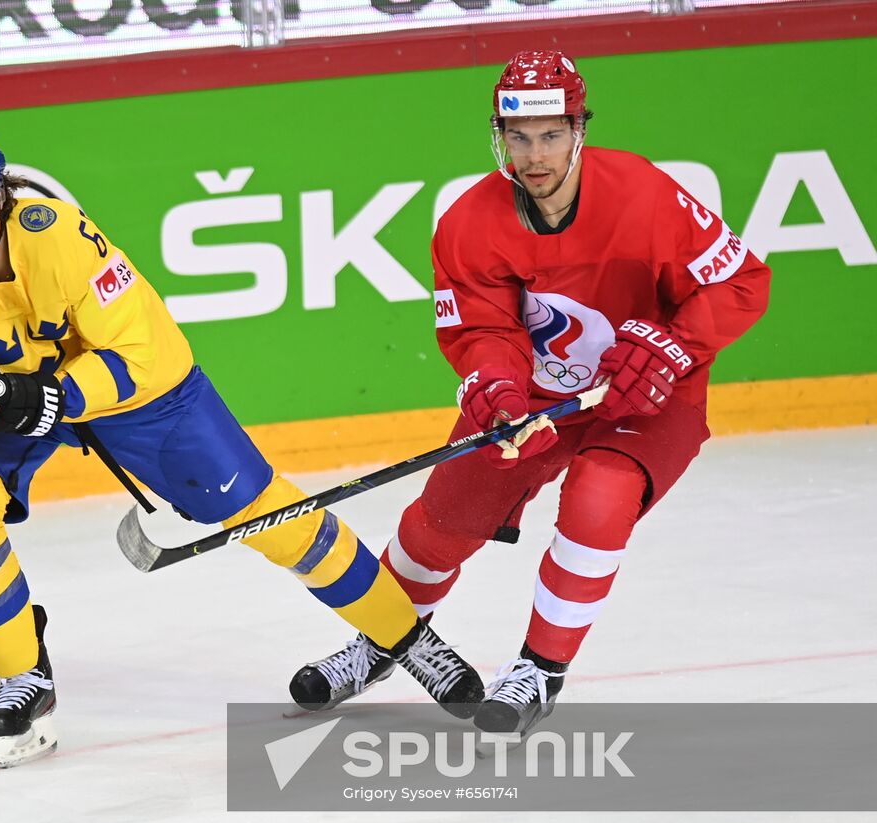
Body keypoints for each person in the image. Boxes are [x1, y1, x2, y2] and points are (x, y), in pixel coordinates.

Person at [0, 121, 485, 768]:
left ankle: (406, 639)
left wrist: (60, 396)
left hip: (137, 395)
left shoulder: (60, 236)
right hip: (7, 400)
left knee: (267, 512)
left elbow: (139, 352)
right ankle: (25, 676)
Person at [294, 50, 770, 736]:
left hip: (647, 393)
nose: (535, 154)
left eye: (551, 134)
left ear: (580, 129)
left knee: (599, 497)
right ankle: (384, 639)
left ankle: (538, 671)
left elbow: (741, 283)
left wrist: (674, 344)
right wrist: (497, 387)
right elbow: (484, 328)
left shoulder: (644, 195)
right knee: (443, 520)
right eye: (519, 137)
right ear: (499, 135)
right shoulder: (468, 222)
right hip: (537, 399)